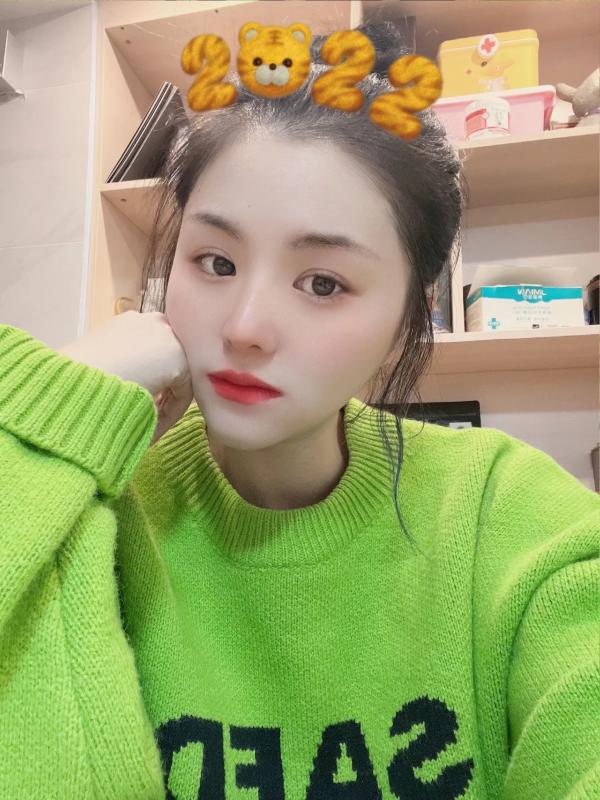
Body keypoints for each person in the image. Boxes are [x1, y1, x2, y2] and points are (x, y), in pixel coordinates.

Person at [0, 19, 598, 800]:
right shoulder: (87, 505)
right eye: (215, 262)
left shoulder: (511, 517)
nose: (245, 327)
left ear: (409, 317)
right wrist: (46, 407)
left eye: (323, 283)